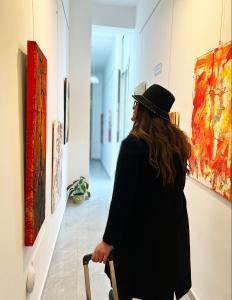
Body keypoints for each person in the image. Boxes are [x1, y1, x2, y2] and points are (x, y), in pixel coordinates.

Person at [92, 84, 192, 300]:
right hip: (166, 241)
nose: (132, 112)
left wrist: (108, 241)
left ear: (144, 110)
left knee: (126, 288)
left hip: (137, 240)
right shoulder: (178, 147)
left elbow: (122, 201)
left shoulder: (134, 145)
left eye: (135, 105)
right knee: (158, 290)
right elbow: (176, 194)